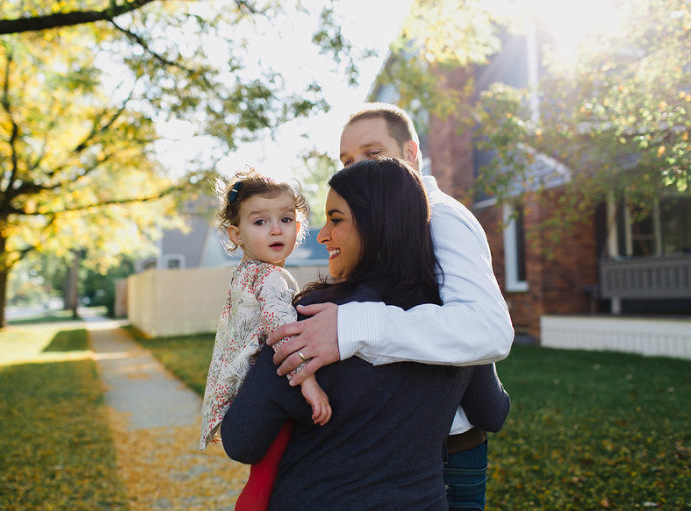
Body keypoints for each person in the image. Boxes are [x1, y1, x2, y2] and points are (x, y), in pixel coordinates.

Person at [221, 158, 509, 510]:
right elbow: (493, 413)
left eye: (336, 219)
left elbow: (242, 440)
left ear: (378, 224)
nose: (322, 234)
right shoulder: (453, 329)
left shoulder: (313, 319)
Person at [199, 169, 331, 511]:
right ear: (236, 234)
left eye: (286, 219)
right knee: (266, 476)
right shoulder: (271, 277)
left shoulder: (245, 272)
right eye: (260, 222)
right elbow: (281, 329)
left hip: (237, 389)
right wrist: (309, 382)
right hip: (263, 392)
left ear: (298, 229)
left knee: (265, 475)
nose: (275, 229)